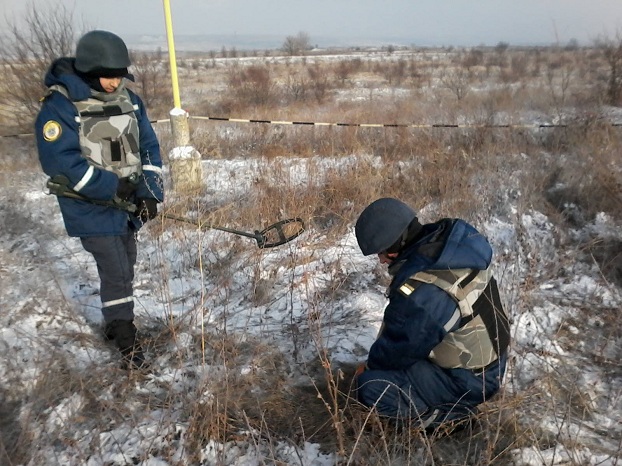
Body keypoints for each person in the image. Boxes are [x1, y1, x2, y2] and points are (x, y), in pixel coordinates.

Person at [35, 30, 164, 369]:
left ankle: (113, 320)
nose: (114, 82)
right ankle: (125, 337)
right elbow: (60, 161)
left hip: (127, 206)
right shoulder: (61, 105)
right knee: (117, 269)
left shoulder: (131, 101)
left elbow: (149, 147)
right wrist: (109, 186)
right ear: (90, 70)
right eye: (108, 75)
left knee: (127, 261)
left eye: (119, 74)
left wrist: (149, 193)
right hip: (89, 205)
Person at [353, 198, 510, 431]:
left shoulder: (426, 290)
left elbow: (400, 348)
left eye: (382, 252)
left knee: (370, 387)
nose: (382, 260)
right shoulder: (449, 246)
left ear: (398, 243)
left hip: (473, 381)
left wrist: (369, 367)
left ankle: (451, 419)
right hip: (491, 361)